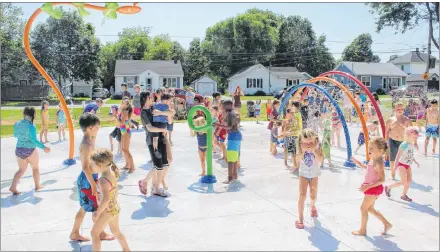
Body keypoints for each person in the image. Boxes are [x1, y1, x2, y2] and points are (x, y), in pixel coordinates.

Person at [70, 113, 114, 242]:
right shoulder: (87, 144)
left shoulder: (88, 141)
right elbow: (85, 167)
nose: (98, 129)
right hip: (88, 179)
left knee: (87, 207)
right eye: (97, 127)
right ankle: (98, 232)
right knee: (93, 207)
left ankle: (77, 232)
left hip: (88, 178)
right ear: (90, 127)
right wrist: (94, 185)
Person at [350, 137, 392, 236]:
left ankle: (362, 230)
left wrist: (368, 187)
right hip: (372, 188)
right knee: (370, 209)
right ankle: (387, 224)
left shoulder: (379, 162)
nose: (369, 150)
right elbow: (369, 168)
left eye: (372, 148)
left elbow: (382, 179)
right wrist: (359, 163)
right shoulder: (374, 159)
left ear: (381, 151)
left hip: (373, 189)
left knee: (363, 208)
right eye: (369, 147)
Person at [90, 149, 130, 252]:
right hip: (115, 208)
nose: (91, 166)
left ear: (101, 165)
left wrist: (97, 213)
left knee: (94, 233)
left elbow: (106, 198)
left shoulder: (103, 180)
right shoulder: (111, 171)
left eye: (93, 164)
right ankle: (126, 250)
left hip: (107, 210)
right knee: (116, 231)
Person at [9, 107, 51, 194]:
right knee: (35, 168)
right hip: (30, 150)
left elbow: (15, 135)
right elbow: (33, 140)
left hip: (19, 150)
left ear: (24, 114)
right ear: (33, 115)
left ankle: (13, 187)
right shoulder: (31, 126)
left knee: (21, 170)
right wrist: (44, 147)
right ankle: (37, 185)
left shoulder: (17, 124)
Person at [139, 91, 171, 197]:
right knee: (158, 166)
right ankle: (155, 188)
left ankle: (148, 183)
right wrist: (162, 129)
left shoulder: (154, 108)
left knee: (164, 164)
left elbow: (170, 113)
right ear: (145, 99)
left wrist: (162, 113)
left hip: (161, 138)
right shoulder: (143, 113)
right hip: (152, 140)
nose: (153, 98)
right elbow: (150, 128)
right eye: (150, 97)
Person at [295, 129, 324, 229]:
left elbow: (320, 159)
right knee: (302, 196)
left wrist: (314, 151)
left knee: (313, 196)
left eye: (310, 142)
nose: (308, 144)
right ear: (301, 141)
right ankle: (300, 219)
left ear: (315, 140)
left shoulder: (318, 146)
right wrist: (302, 152)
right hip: (303, 174)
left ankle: (312, 206)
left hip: (314, 174)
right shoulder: (300, 146)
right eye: (305, 142)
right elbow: (297, 160)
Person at [385, 127, 420, 202]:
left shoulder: (411, 144)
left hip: (408, 165)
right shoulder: (404, 144)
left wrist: (415, 161)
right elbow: (398, 155)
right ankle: (388, 187)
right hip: (401, 165)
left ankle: (403, 195)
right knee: (403, 181)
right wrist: (395, 165)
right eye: (415, 136)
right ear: (409, 135)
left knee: (409, 181)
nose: (416, 138)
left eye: (416, 136)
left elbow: (410, 155)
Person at [213, 100, 241, 184]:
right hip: (236, 136)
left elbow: (229, 127)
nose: (222, 108)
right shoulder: (232, 113)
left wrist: (217, 125)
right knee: (234, 157)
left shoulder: (231, 114)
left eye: (223, 106)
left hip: (233, 137)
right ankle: (234, 175)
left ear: (228, 106)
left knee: (230, 159)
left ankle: (230, 178)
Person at [385, 102, 413, 180]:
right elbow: (386, 131)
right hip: (392, 141)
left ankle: (405, 174)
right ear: (394, 109)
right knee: (392, 159)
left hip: (403, 142)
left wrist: (412, 142)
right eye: (398, 109)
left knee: (405, 159)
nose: (400, 110)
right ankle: (393, 175)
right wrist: (385, 141)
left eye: (401, 109)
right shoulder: (390, 120)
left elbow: (412, 132)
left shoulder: (407, 120)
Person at [115, 98, 135, 173]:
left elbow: (122, 123)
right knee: (124, 149)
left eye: (125, 102)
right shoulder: (123, 111)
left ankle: (132, 167)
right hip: (125, 131)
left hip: (126, 132)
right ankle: (127, 165)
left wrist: (115, 116)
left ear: (127, 105)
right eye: (123, 101)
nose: (123, 103)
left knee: (126, 150)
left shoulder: (124, 111)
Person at [152, 93, 173, 159]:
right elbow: (169, 121)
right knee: (163, 138)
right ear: (166, 100)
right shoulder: (166, 106)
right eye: (170, 101)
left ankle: (155, 150)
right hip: (162, 124)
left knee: (155, 138)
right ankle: (163, 154)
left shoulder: (155, 104)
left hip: (155, 123)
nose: (170, 102)